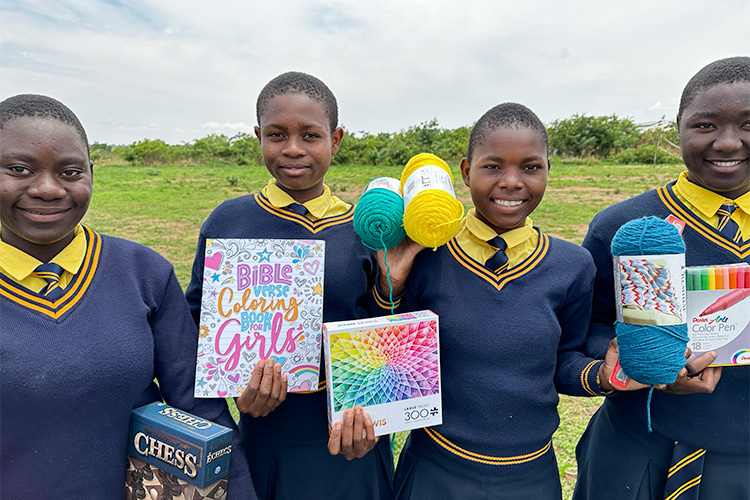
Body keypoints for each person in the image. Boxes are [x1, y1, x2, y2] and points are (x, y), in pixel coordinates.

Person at [370, 102, 638, 500]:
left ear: (549, 169)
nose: (512, 182)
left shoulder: (572, 265)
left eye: (530, 167)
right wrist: (388, 285)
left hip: (530, 475)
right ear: (465, 171)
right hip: (435, 466)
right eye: (493, 166)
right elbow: (384, 357)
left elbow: (563, 359)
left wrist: (602, 375)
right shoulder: (425, 254)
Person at [0, 94, 255, 498]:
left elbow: (199, 408)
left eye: (69, 171)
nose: (48, 189)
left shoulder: (144, 273)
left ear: (91, 174)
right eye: (18, 169)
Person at [185, 71, 394, 500]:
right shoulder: (229, 221)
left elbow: (388, 328)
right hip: (266, 430)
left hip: (353, 435)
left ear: (335, 141)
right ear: (259, 137)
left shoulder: (365, 228)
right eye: (277, 134)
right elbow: (195, 322)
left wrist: (376, 415)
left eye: (311, 135)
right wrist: (234, 391)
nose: (293, 149)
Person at [572, 56, 750, 500]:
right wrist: (638, 361)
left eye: (748, 124)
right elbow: (586, 329)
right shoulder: (626, 227)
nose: (727, 143)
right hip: (639, 449)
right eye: (706, 125)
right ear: (678, 127)